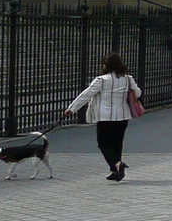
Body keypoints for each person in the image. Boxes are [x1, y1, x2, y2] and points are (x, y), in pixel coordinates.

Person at [59, 53, 142, 182]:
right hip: (122, 116)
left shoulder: (101, 80)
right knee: (117, 144)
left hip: (105, 117)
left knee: (103, 144)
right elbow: (138, 93)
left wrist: (71, 109)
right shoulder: (128, 79)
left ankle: (117, 164)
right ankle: (115, 170)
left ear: (106, 65)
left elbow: (85, 95)